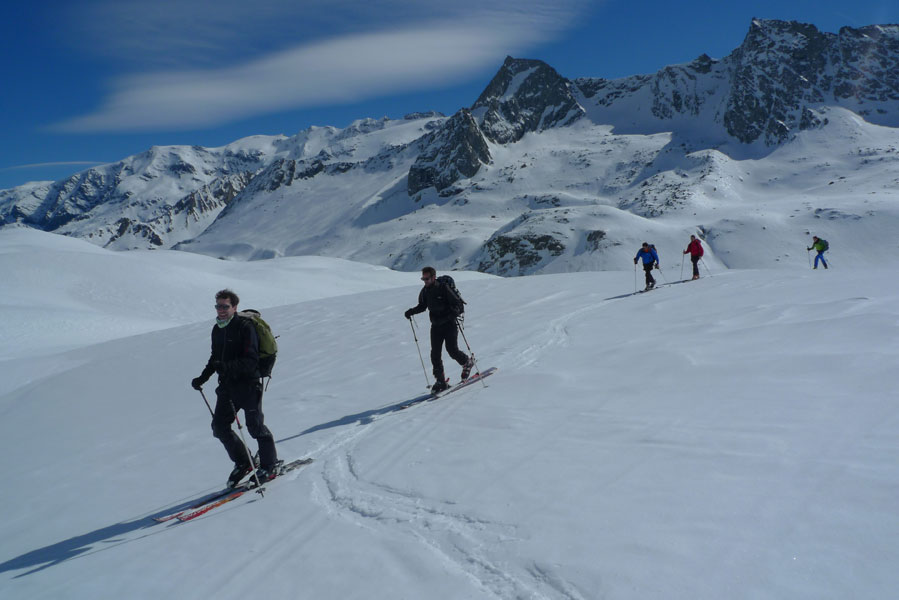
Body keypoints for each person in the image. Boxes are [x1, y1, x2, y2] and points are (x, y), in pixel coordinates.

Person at [191, 289, 279, 487]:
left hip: (248, 384)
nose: (221, 310)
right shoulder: (218, 329)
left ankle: (269, 465)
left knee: (255, 427)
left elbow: (251, 360)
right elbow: (215, 358)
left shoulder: (245, 327)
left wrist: (227, 367)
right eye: (218, 306)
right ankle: (244, 462)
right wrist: (202, 378)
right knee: (219, 427)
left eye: (225, 306)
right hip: (227, 386)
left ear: (234, 307)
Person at [404, 267, 475, 393]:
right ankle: (440, 381)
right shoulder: (425, 291)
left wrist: (450, 316)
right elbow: (423, 306)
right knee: (435, 354)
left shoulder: (443, 288)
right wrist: (411, 312)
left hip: (449, 324)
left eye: (426, 278)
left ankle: (467, 362)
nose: (425, 281)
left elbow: (458, 305)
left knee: (452, 350)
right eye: (423, 279)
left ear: (433, 277)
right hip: (436, 326)